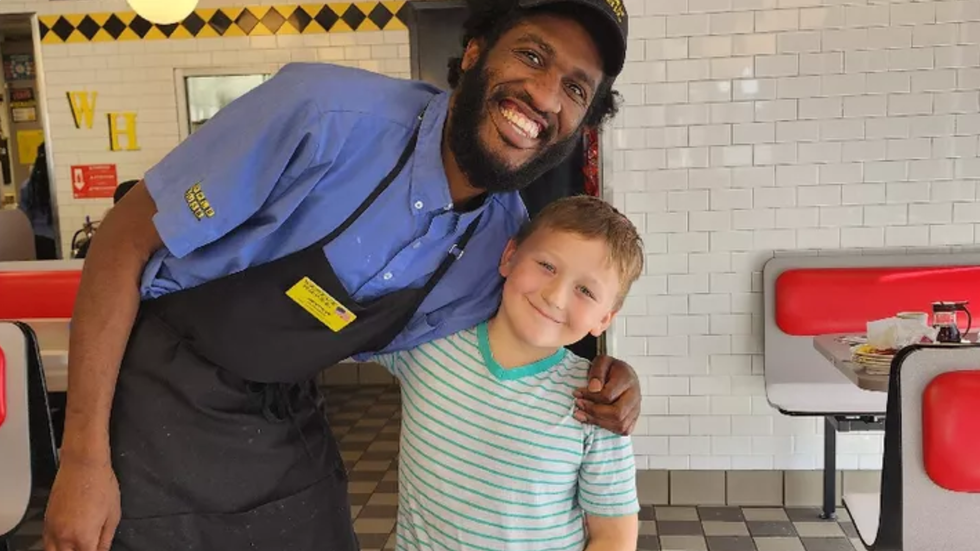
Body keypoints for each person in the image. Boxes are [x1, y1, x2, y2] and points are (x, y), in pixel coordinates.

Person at [42, 0, 640, 549]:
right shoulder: (322, 114)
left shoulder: (500, 245)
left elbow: (521, 336)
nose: (545, 95)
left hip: (283, 410)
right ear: (475, 52)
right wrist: (81, 460)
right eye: (532, 55)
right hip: (154, 394)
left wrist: (609, 376)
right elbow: (122, 240)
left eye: (575, 88)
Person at [371, 195, 643, 550]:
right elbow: (348, 329)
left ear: (604, 319)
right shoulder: (428, 345)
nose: (555, 296)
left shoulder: (597, 404)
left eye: (585, 290)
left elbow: (614, 536)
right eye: (547, 265)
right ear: (509, 257)